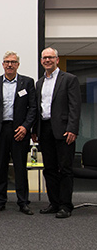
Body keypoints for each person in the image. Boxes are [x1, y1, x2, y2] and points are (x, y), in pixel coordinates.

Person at [0, 51, 36, 215]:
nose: (9, 65)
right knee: (0, 168)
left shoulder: (27, 83)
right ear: (2, 64)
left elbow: (33, 108)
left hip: (19, 130)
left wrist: (26, 127)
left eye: (13, 62)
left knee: (20, 168)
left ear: (18, 65)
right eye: (6, 62)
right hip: (0, 129)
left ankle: (23, 202)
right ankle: (0, 201)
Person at [32, 47, 81, 218]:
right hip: (44, 129)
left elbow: (75, 106)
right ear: (41, 61)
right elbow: (38, 109)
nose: (47, 60)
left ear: (57, 60)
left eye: (50, 57)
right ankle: (54, 203)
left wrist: (72, 129)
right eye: (44, 58)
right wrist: (34, 130)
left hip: (64, 130)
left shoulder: (69, 79)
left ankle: (66, 206)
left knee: (65, 169)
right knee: (49, 168)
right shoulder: (39, 83)